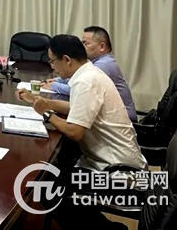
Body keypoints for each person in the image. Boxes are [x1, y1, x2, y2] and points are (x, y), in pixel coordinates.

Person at [15, 35, 145, 229]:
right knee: (57, 168)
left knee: (47, 187)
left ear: (66, 59)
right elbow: (76, 107)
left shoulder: (85, 81)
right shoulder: (89, 73)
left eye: (52, 61)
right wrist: (39, 101)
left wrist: (46, 113)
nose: (53, 67)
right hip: (116, 163)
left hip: (118, 175)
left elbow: (74, 132)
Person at [43, 26, 137, 122]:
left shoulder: (103, 65)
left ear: (102, 47)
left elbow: (75, 88)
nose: (83, 47)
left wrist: (53, 86)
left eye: (86, 43)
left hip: (125, 119)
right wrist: (58, 81)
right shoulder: (93, 65)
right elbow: (73, 82)